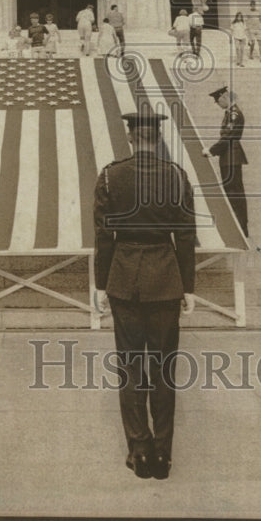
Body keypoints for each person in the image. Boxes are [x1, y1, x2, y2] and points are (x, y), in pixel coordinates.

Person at [94, 111, 196, 480]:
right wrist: (188, 287)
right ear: (157, 138)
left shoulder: (111, 175)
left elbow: (104, 235)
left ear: (132, 138)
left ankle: (139, 451)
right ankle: (163, 456)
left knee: (131, 367)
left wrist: (101, 284)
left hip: (124, 278)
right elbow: (185, 235)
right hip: (166, 279)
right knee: (164, 369)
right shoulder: (176, 176)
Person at [203, 86, 248, 236]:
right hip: (229, 157)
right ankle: (238, 227)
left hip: (231, 157)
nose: (218, 104)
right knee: (232, 193)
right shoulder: (230, 113)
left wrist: (211, 150)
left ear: (223, 97)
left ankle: (240, 228)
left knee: (234, 193)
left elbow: (228, 137)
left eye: (218, 101)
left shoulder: (234, 114)